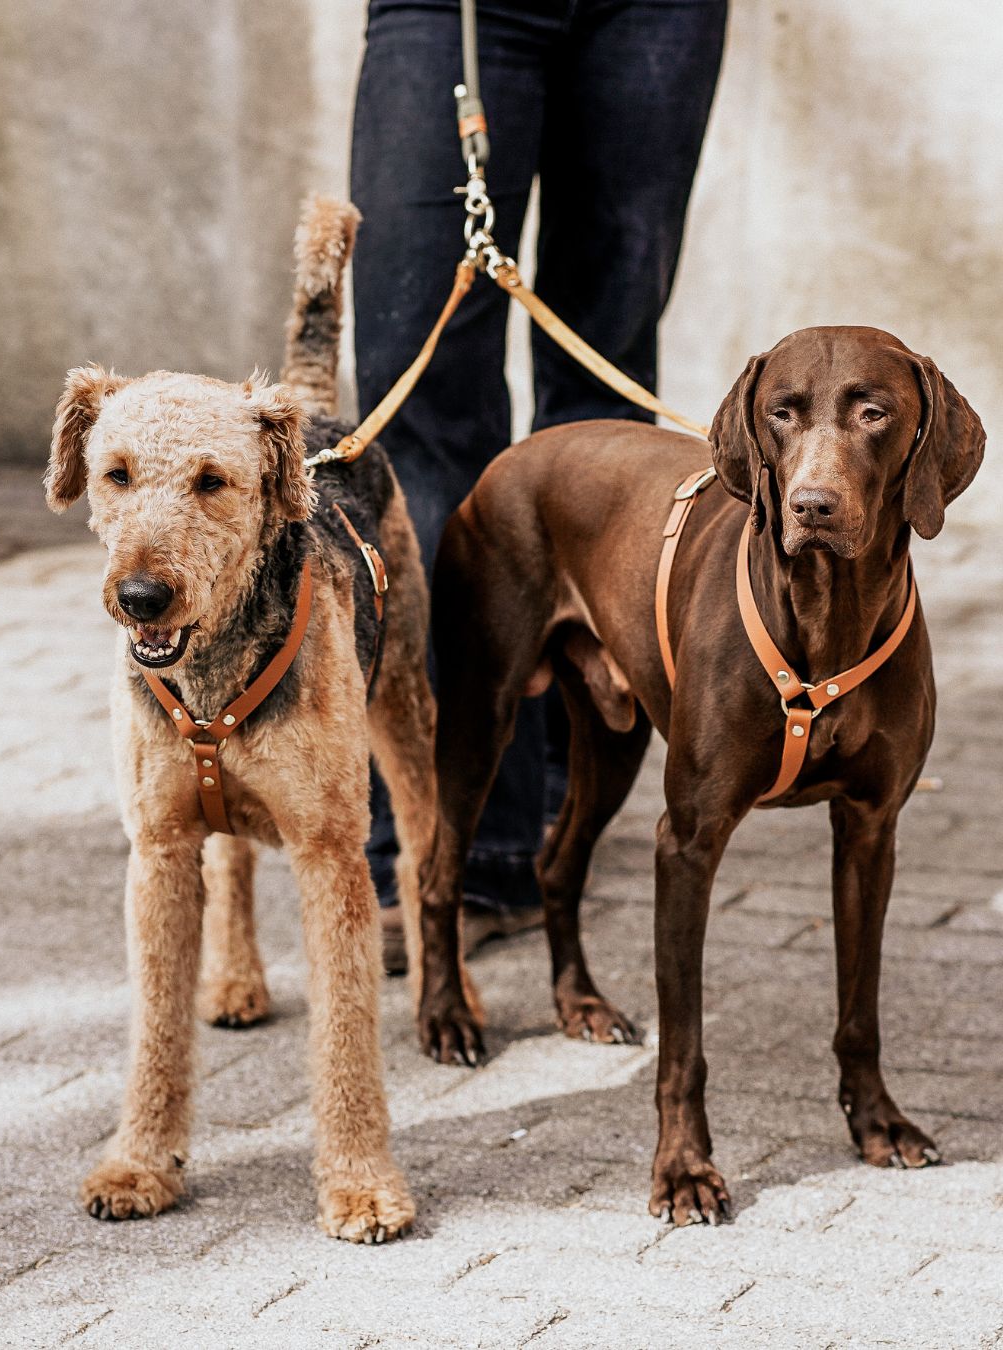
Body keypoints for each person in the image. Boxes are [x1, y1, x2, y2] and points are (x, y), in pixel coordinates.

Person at [349, 0, 727, 971]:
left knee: (603, 403)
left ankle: (557, 815)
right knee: (424, 404)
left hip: (655, 14)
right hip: (456, 12)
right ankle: (449, 843)